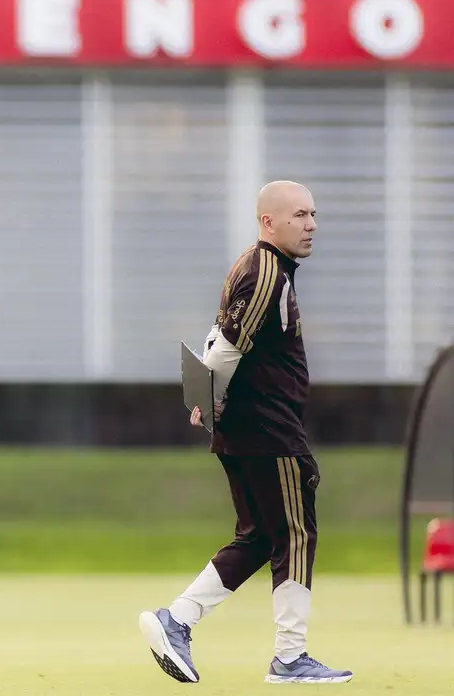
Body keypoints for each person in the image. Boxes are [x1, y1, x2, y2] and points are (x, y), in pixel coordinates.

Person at [138, 181, 353, 685]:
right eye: (299, 215)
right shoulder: (266, 272)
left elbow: (220, 337)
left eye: (313, 214)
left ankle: (177, 620)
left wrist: (207, 395)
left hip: (247, 428)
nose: (311, 224)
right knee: (296, 534)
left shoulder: (255, 267)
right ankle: (291, 658)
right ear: (268, 222)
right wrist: (208, 394)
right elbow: (229, 344)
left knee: (259, 537)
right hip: (268, 428)